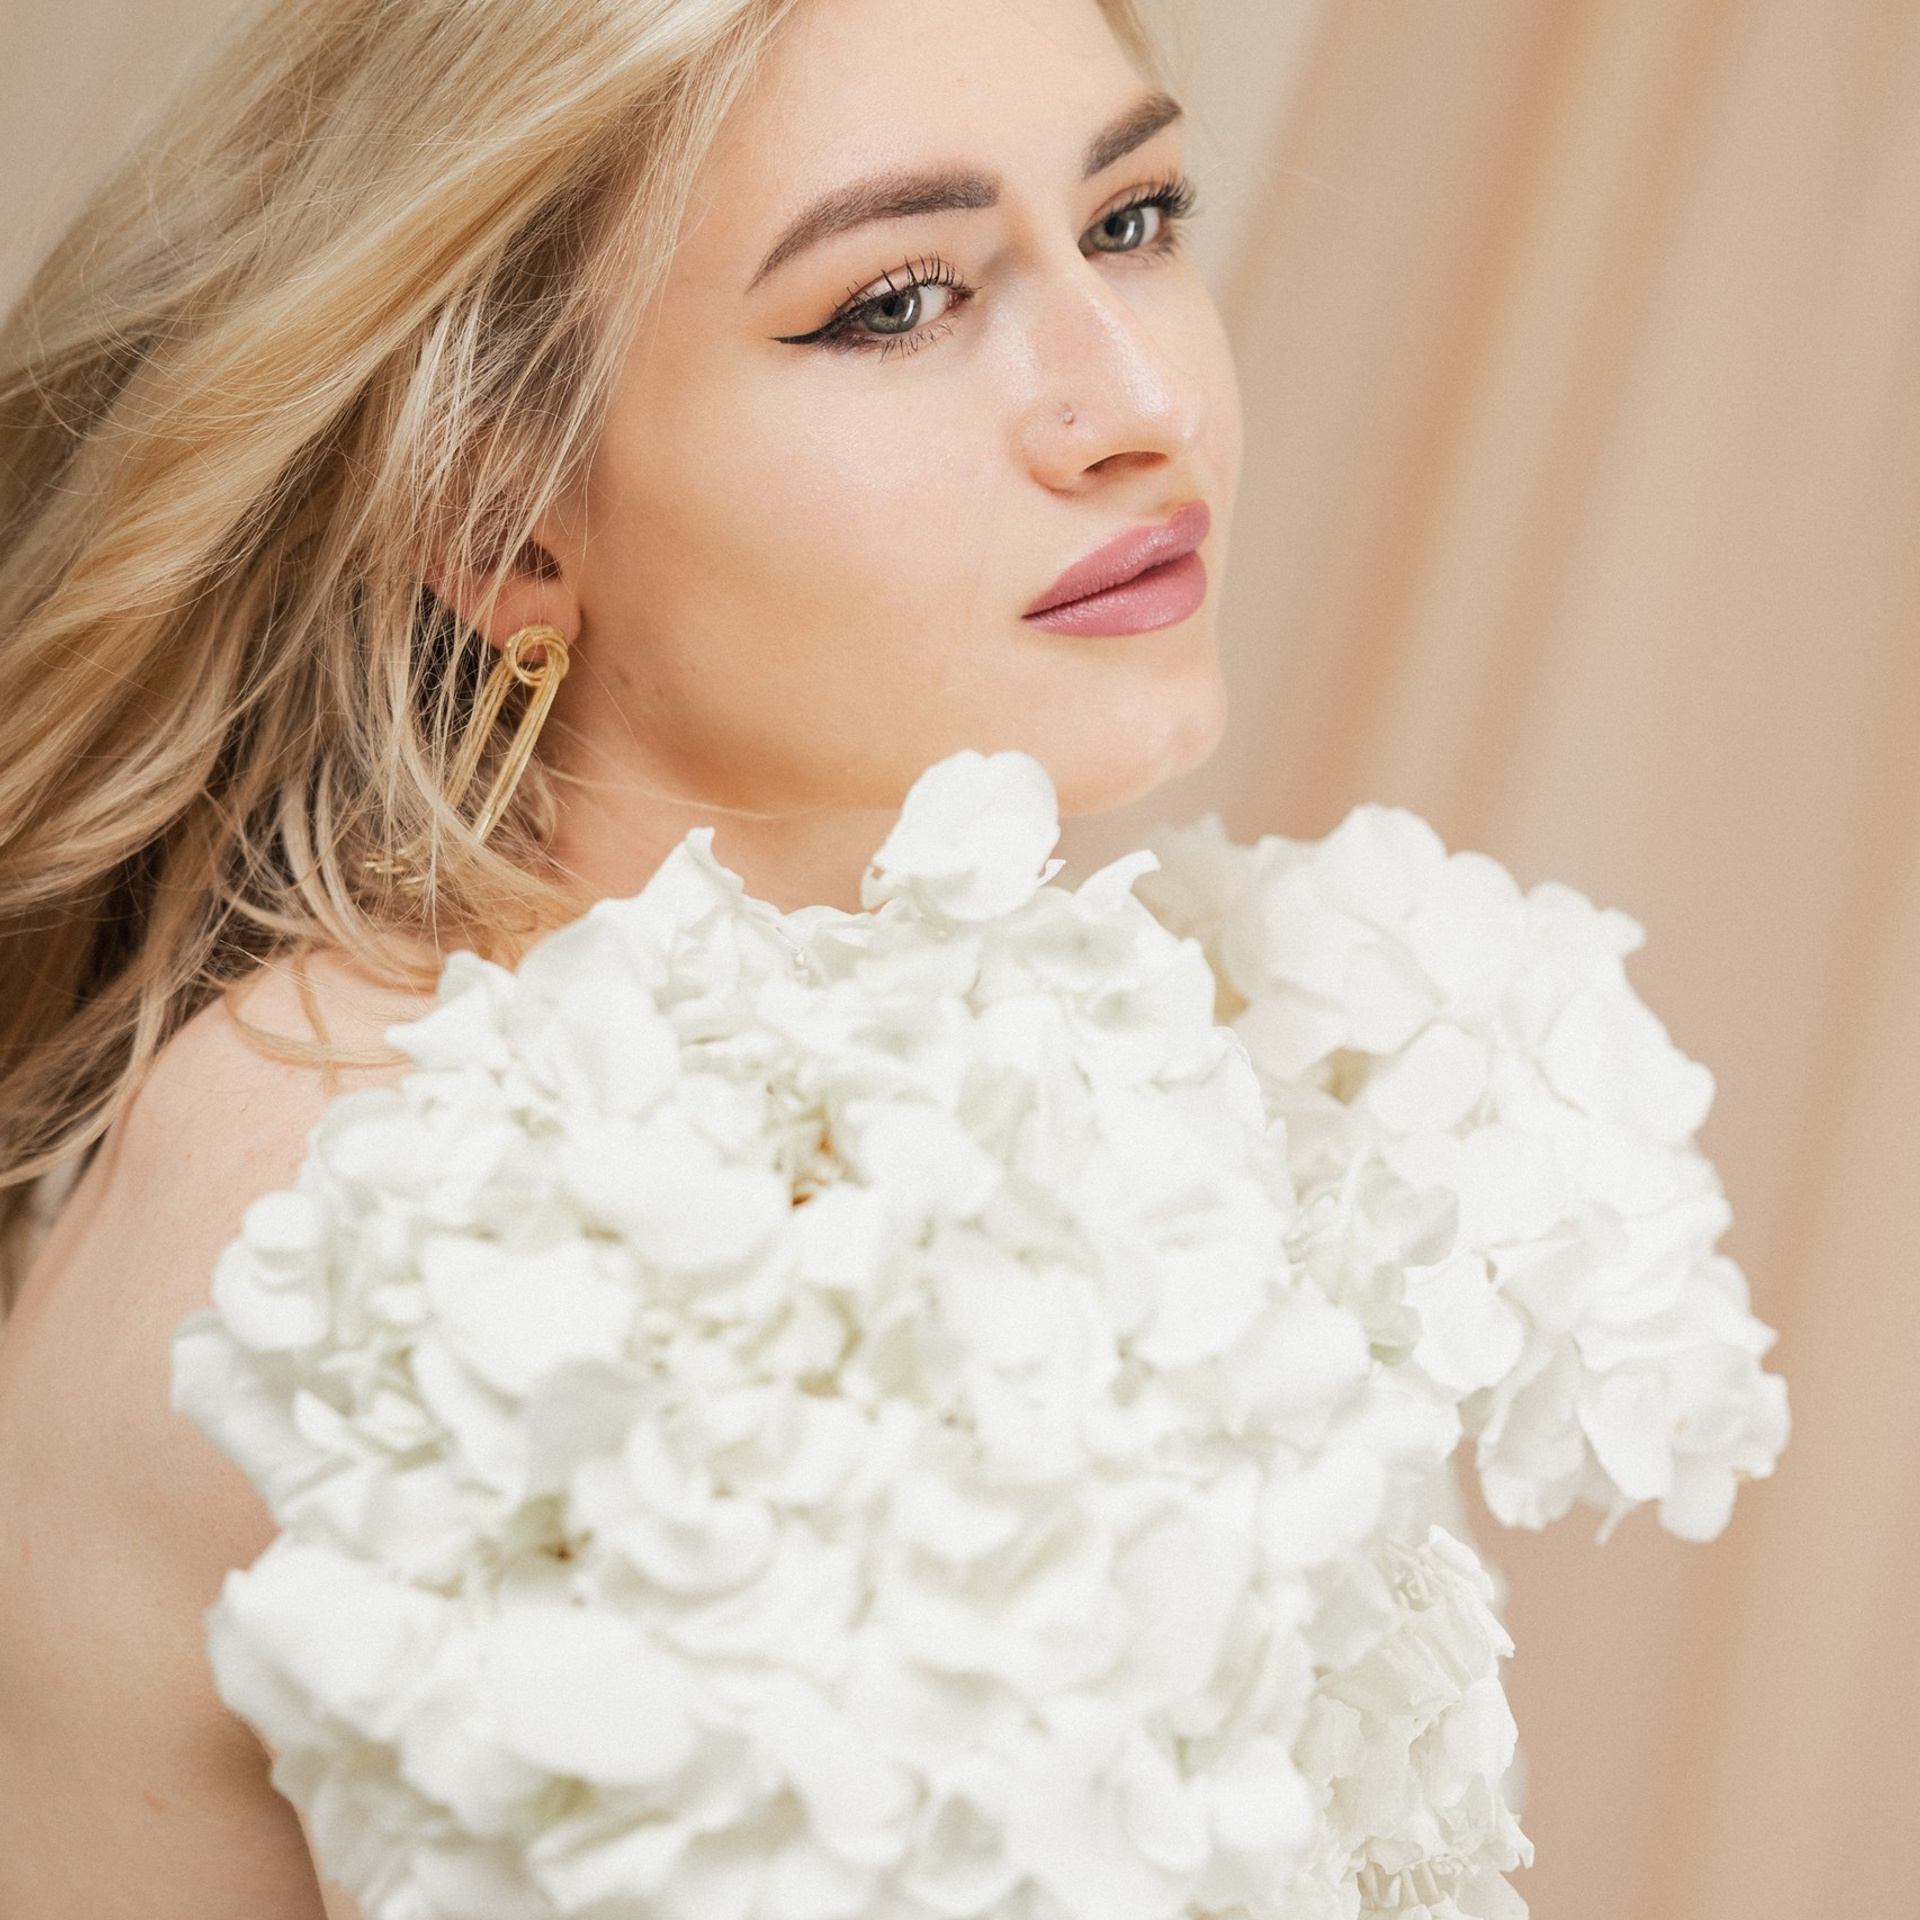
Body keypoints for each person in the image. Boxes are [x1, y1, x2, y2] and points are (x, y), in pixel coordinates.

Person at [0, 0, 1242, 1910]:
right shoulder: (438, 1210)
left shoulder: (748, 1068)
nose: (1135, 400)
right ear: (498, 524)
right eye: (897, 301)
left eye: (1134, 219)